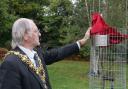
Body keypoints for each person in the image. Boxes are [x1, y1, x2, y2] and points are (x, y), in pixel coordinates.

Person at [0, 18, 91, 89]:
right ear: (25, 35)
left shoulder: (36, 54)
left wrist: (81, 42)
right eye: (36, 31)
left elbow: (57, 53)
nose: (39, 34)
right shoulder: (10, 63)